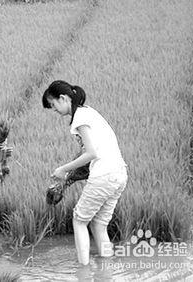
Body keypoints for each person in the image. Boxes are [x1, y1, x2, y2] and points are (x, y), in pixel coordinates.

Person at [42, 80, 128, 265]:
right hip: (119, 174)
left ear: (63, 98)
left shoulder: (80, 117)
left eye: (53, 104)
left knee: (79, 220)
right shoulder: (89, 111)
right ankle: (106, 269)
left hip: (104, 174)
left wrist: (63, 169)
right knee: (99, 224)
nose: (54, 109)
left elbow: (91, 153)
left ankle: (83, 270)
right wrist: (69, 177)